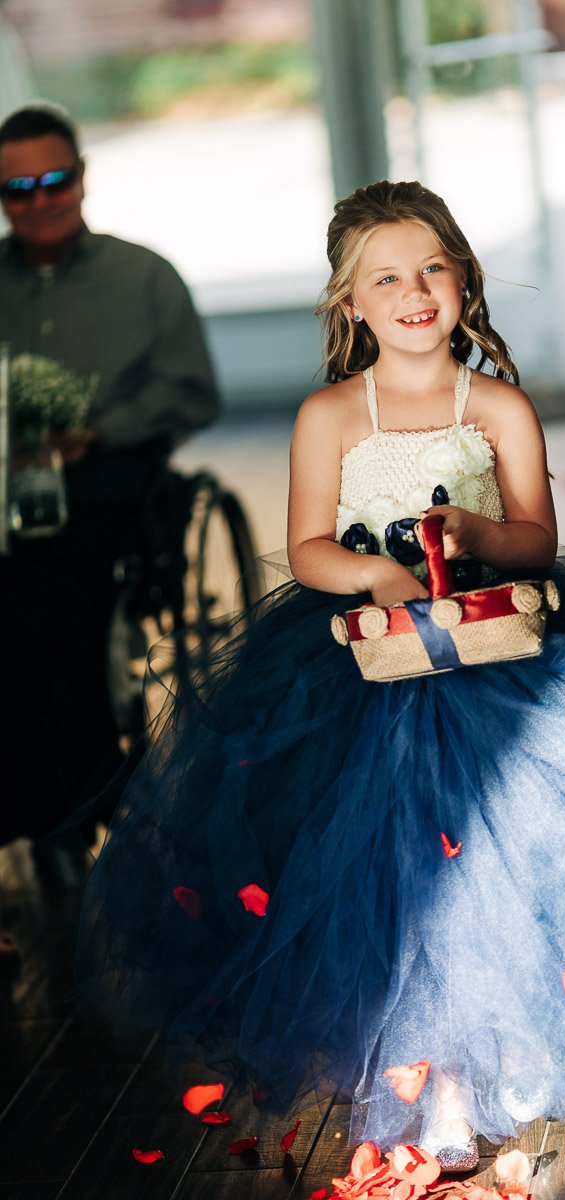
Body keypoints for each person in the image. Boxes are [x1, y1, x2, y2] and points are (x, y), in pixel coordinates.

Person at [76, 181, 565, 1176]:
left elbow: (535, 540)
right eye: (385, 279)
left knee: (508, 863)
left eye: (430, 270)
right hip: (364, 667)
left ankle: (511, 1042)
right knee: (401, 871)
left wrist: (474, 533)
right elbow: (308, 545)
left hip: (492, 654)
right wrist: (374, 572)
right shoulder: (332, 414)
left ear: (463, 279)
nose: (413, 293)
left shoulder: (494, 405)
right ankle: (436, 1076)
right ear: (350, 302)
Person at [0, 103, 220, 826]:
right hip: (7, 487)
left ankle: (79, 796)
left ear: (82, 177)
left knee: (53, 598)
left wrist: (96, 433)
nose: (39, 201)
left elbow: (192, 391)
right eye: (18, 189)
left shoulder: (144, 277)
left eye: (54, 180)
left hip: (111, 483)